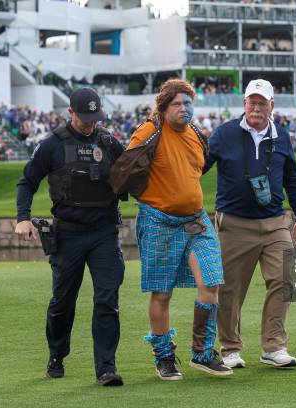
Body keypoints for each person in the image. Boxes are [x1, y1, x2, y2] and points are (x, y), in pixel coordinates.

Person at [15, 88, 127, 386]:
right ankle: (57, 354)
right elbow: (27, 183)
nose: (90, 124)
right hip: (68, 234)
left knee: (107, 300)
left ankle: (106, 368)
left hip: (104, 232)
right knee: (63, 301)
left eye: (95, 118)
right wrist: (23, 218)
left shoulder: (109, 142)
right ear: (71, 113)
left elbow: (131, 174)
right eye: (84, 118)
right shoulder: (51, 145)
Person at [129, 79, 231, 380]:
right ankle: (164, 356)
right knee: (162, 293)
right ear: (164, 106)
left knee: (211, 280)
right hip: (159, 221)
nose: (184, 108)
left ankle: (201, 353)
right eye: (177, 103)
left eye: (188, 103)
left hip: (196, 220)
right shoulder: (150, 131)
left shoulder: (196, 134)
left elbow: (196, 170)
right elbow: (128, 167)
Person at [204, 79, 296, 369]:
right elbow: (199, 167)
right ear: (244, 103)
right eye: (252, 101)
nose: (256, 108)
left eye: (262, 102)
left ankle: (273, 347)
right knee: (231, 290)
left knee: (283, 279)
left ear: (272, 106)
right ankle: (230, 348)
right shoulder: (224, 134)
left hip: (275, 223)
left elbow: (292, 180)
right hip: (234, 224)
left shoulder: (283, 137)